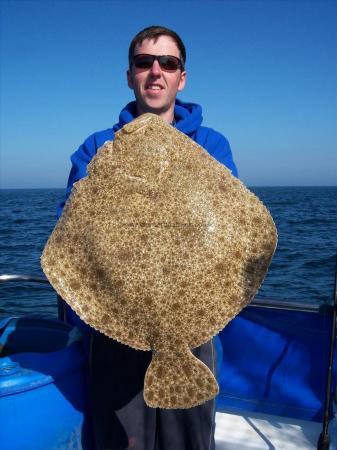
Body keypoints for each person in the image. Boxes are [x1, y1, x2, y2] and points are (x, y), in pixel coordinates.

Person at [58, 25, 238, 450]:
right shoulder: (98, 147)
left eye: (168, 63)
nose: (155, 72)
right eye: (144, 62)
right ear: (130, 75)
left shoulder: (212, 146)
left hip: (190, 334)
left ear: (181, 77)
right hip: (115, 331)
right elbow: (73, 233)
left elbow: (228, 232)